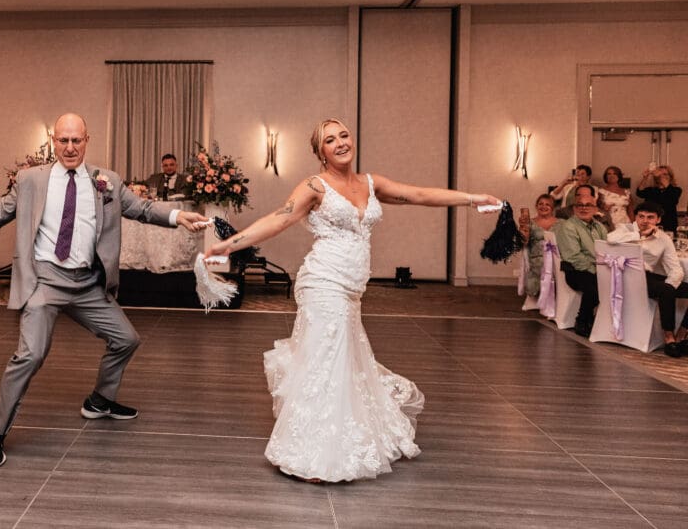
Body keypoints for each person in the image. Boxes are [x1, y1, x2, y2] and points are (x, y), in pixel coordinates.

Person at [203, 118, 499, 483]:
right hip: (323, 282)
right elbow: (279, 219)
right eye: (330, 139)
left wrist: (473, 199)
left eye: (344, 135)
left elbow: (420, 194)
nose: (341, 142)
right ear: (320, 152)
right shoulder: (315, 186)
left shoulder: (370, 184)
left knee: (340, 361)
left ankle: (335, 439)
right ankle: (313, 453)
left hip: (352, 288)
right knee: (326, 362)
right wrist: (227, 246)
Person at [0, 113, 209, 469]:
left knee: (126, 339)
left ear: (87, 140)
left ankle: (100, 401)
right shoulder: (31, 180)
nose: (70, 147)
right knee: (30, 355)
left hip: (87, 284)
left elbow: (141, 208)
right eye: (63, 140)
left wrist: (175, 216)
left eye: (77, 140)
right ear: (53, 140)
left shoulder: (106, 181)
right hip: (44, 281)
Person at [607, 201, 688, 357]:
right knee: (666, 290)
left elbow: (675, 269)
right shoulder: (625, 229)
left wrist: (670, 286)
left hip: (647, 278)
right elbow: (610, 239)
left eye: (650, 217)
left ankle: (682, 332)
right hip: (623, 277)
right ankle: (669, 336)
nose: (645, 221)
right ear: (636, 217)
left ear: (658, 220)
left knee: (668, 287)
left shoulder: (663, 238)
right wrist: (639, 235)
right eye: (641, 216)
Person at [555, 185, 608, 337]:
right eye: (580, 205)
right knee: (594, 286)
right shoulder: (568, 226)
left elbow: (606, 250)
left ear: (595, 208)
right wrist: (598, 271)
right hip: (575, 271)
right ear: (574, 208)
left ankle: (605, 321)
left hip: (596, 267)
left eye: (588, 205)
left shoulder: (600, 226)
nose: (584, 208)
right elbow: (574, 257)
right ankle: (583, 319)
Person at [517, 194, 559, 297]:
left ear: (552, 208)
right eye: (540, 204)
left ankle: (557, 295)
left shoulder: (562, 223)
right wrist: (523, 230)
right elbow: (523, 243)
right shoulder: (528, 223)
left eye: (547, 204)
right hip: (537, 258)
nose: (543, 206)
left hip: (557, 257)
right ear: (536, 206)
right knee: (541, 266)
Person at [636, 165, 682, 234]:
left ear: (670, 177)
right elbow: (639, 192)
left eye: (665, 174)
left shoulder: (675, 190)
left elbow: (672, 200)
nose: (662, 176)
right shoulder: (651, 190)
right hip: (651, 223)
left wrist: (662, 178)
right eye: (660, 174)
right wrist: (645, 177)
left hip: (669, 223)